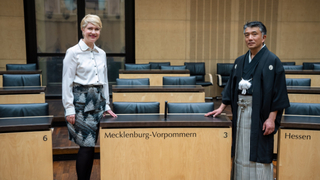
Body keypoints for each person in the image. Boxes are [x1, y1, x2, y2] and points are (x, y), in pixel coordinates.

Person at [205, 21, 289, 180]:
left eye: (254, 34)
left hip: (260, 114)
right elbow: (231, 87)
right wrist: (222, 107)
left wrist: (271, 119)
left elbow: (278, 92)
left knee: (259, 149)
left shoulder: (272, 61)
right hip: (241, 112)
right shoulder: (239, 61)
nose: (250, 38)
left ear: (263, 37)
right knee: (240, 148)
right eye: (246, 35)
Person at [62, 14, 117, 180]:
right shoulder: (73, 53)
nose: (93, 32)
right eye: (90, 28)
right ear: (83, 29)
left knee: (91, 146)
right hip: (81, 104)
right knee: (86, 146)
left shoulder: (101, 53)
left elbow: (104, 82)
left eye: (97, 29)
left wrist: (106, 104)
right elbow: (66, 82)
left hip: (98, 104)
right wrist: (69, 108)